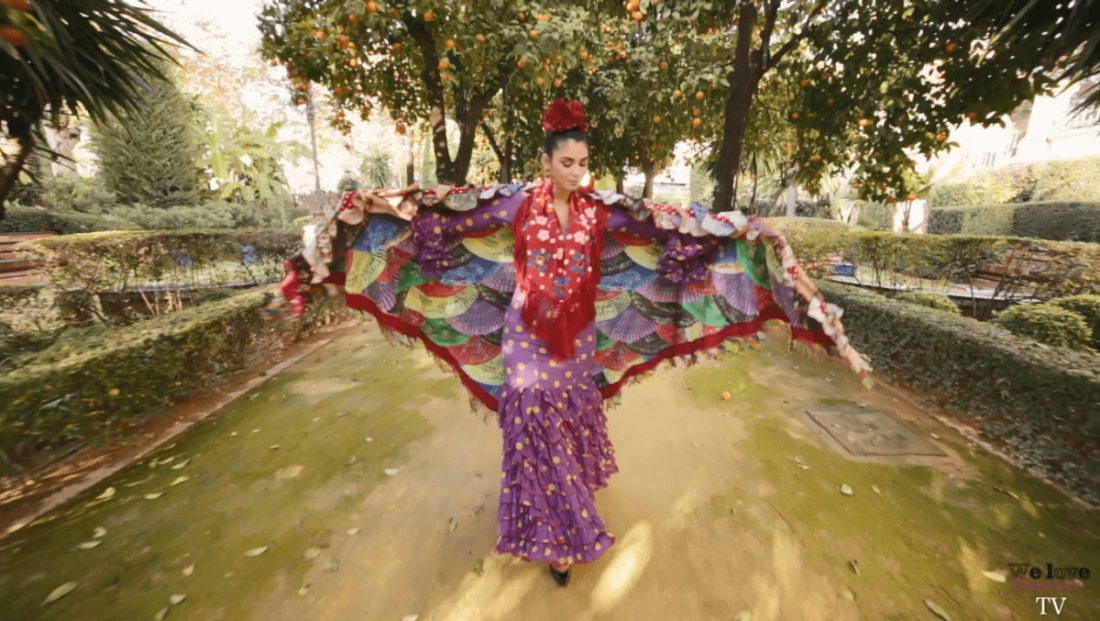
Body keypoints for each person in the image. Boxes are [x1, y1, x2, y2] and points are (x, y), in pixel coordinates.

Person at [280, 99, 871, 587]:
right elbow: (447, 218)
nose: (577, 172)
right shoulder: (516, 203)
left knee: (564, 417)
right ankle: (562, 535)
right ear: (547, 161)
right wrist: (382, 208)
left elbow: (662, 225)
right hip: (525, 334)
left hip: (579, 337)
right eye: (567, 162)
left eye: (584, 163)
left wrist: (743, 229)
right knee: (530, 415)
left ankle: (568, 490)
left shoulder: (600, 211)